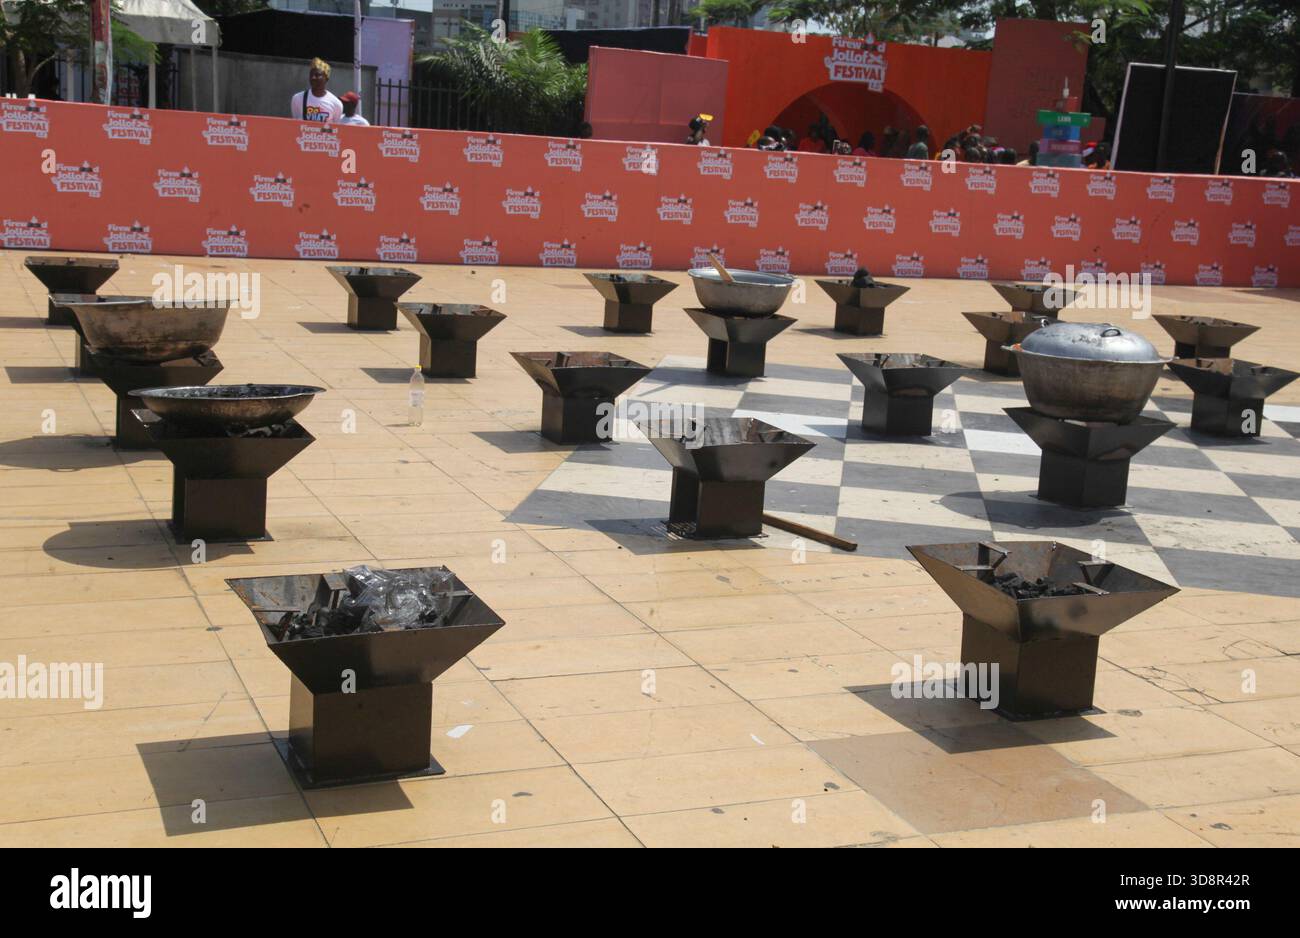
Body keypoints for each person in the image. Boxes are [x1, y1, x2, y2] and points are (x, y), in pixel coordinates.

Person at [291, 58, 342, 124]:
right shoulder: (298, 98)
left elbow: (336, 129)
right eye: (311, 75)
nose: (313, 78)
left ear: (326, 78)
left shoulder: (336, 104)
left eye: (317, 75)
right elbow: (295, 123)